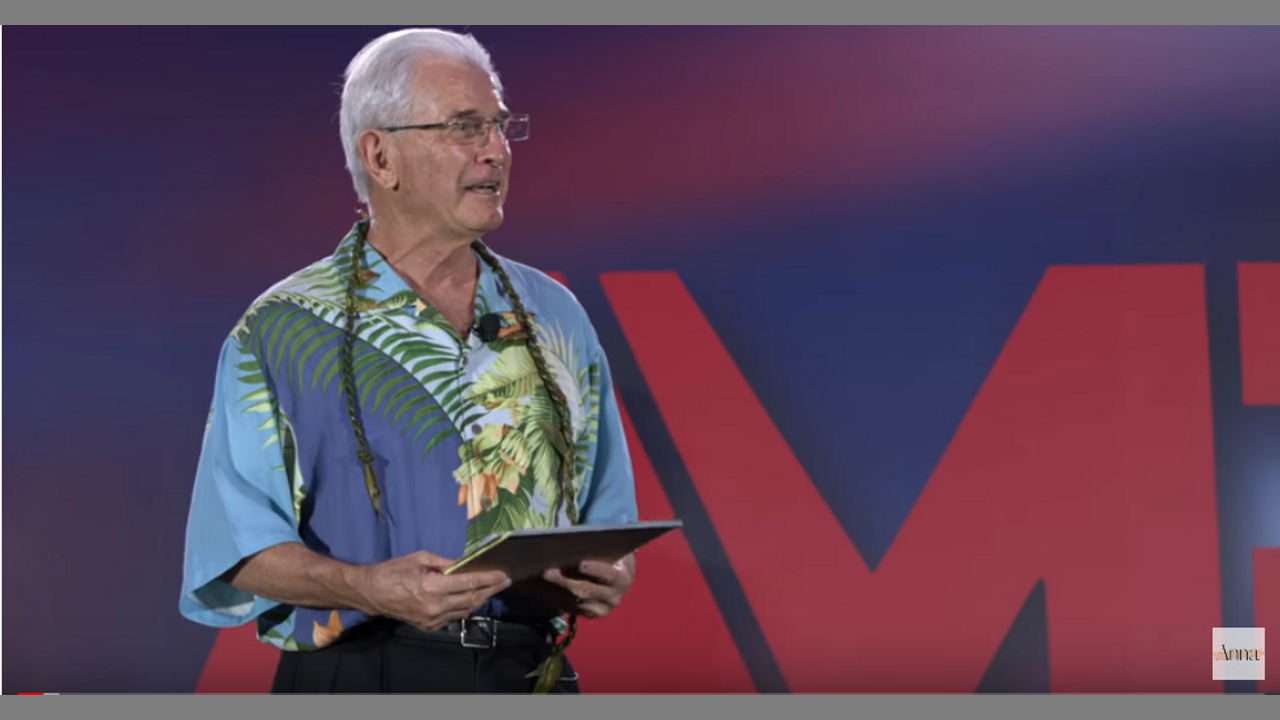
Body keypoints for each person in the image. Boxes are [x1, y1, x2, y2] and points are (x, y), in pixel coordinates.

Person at [179, 27, 639, 694]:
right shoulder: (283, 329)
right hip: (364, 669)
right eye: (465, 127)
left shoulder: (554, 315)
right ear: (380, 156)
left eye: (501, 125)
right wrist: (365, 586)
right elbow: (237, 550)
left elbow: (607, 520)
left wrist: (608, 573)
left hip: (528, 671)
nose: (496, 150)